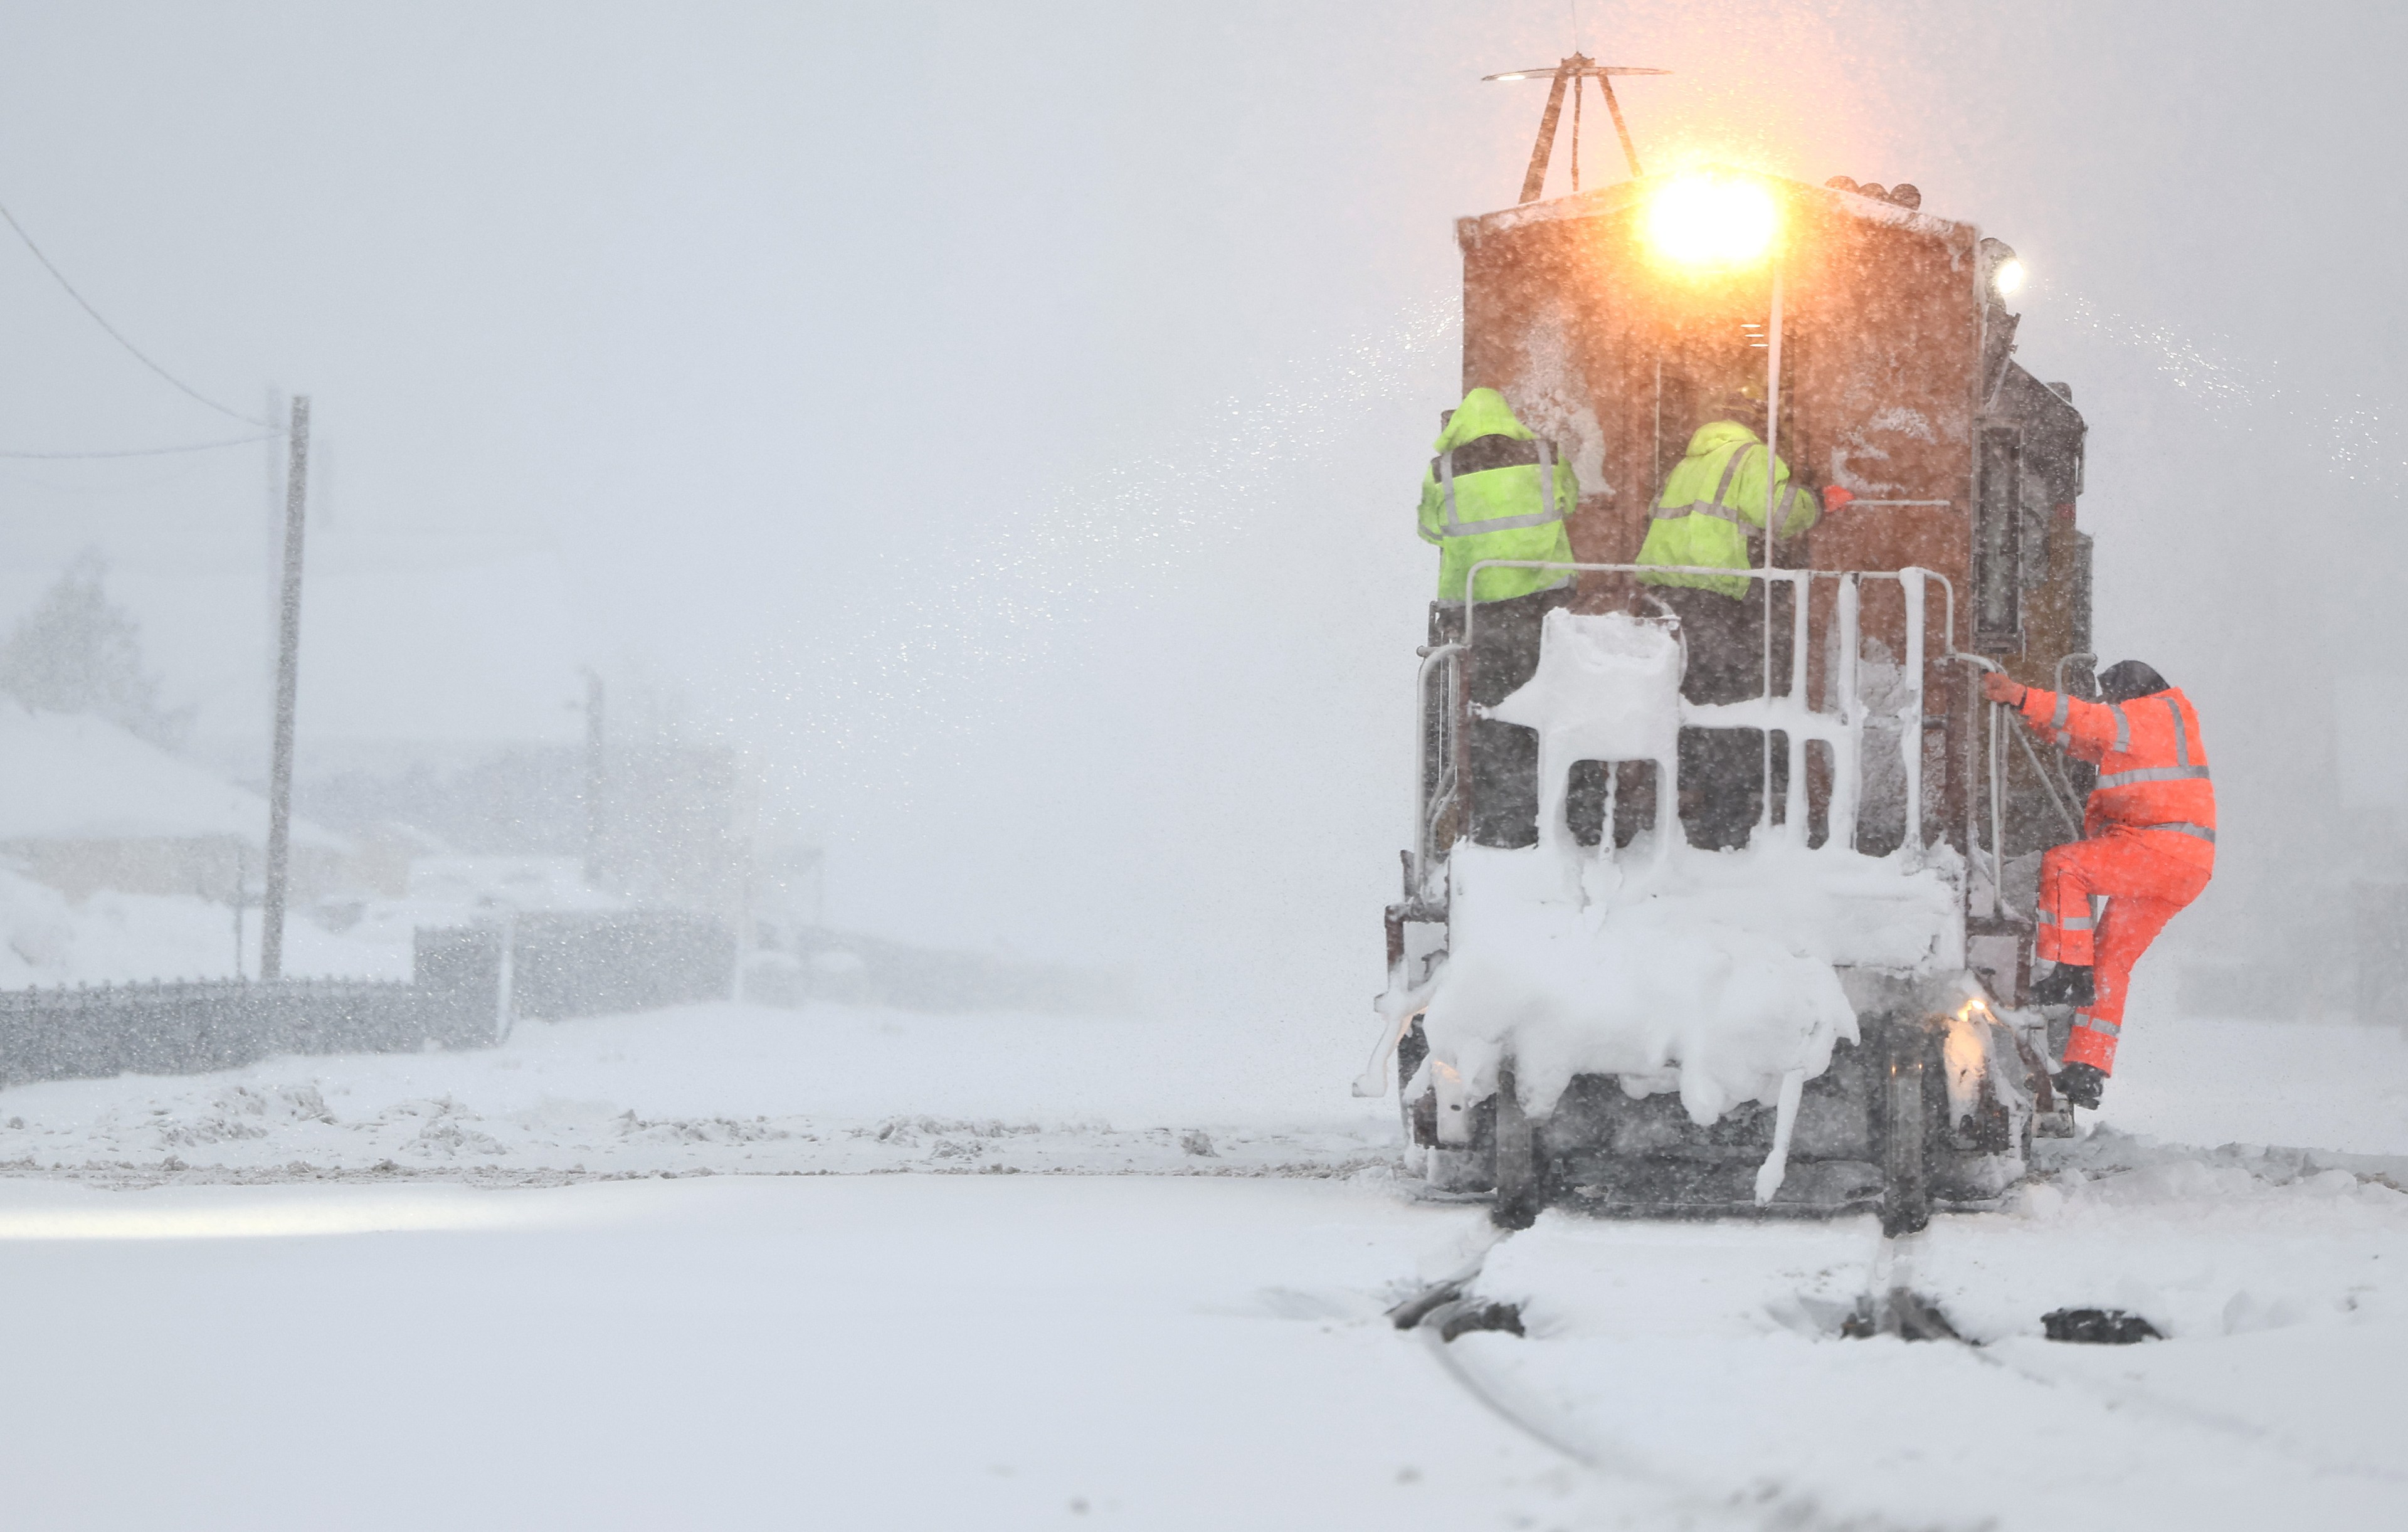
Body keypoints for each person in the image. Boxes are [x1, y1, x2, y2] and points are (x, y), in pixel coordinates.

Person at [1983, 660, 2215, 1109]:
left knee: (2065, 865)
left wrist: (2020, 695)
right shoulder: (2164, 723)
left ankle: (2067, 972)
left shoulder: (2151, 713)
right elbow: (2090, 740)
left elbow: (2092, 720)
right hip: (2183, 866)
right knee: (2110, 962)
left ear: (2126, 694)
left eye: (2109, 697)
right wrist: (2038, 720)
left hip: (2159, 849)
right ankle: (2087, 1069)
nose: (2105, 705)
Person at [1635, 413, 1850, 847]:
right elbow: (1781, 513)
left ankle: (1676, 804)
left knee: (1683, 701)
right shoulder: (1751, 456)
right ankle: (1726, 819)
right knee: (1728, 706)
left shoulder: (1687, 464)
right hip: (1712, 598)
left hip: (1665, 600)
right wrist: (1820, 502)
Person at [1417, 388, 1579, 847]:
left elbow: (1429, 530)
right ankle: (1560, 817)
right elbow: (1569, 500)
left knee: (1488, 716)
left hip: (1480, 612)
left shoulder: (1442, 470)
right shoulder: (1545, 456)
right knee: (1551, 708)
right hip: (1543, 610)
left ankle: (1503, 823)